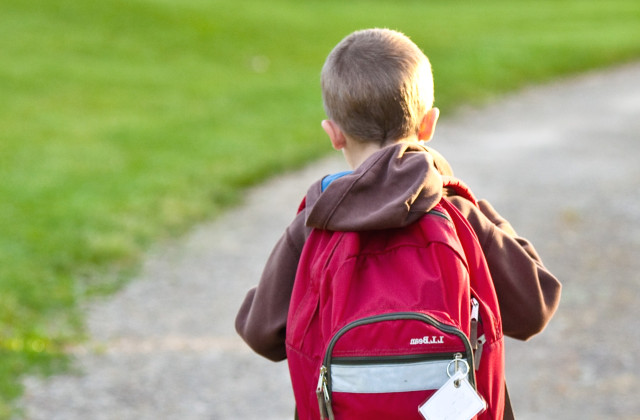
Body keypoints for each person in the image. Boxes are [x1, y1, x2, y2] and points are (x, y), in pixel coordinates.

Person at [235, 28, 561, 417]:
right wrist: (472, 204)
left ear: (334, 133)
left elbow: (261, 335)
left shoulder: (316, 222)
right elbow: (535, 307)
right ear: (428, 125)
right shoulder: (458, 215)